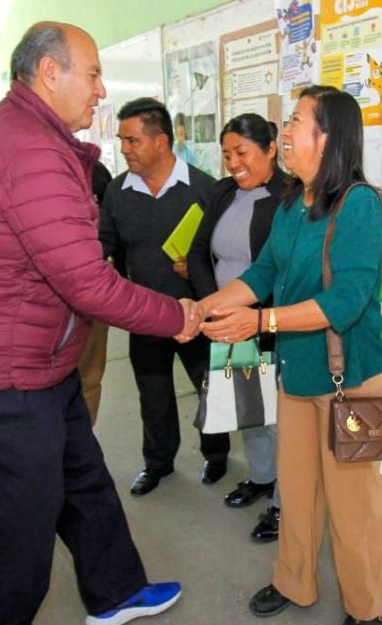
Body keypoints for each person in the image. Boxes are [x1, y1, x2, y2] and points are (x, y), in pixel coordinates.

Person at [0, 23, 195, 625]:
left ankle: (115, 591)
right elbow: (86, 282)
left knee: (83, 479)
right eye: (93, 74)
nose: (101, 90)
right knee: (20, 512)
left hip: (37, 360)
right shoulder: (29, 150)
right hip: (0, 374)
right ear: (50, 73)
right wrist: (177, 316)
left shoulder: (28, 136)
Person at [198, 85, 382, 625]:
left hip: (355, 381)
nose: (284, 131)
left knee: (356, 502)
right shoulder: (291, 203)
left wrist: (259, 323)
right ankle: (295, 581)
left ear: (328, 136)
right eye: (286, 122)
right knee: (298, 489)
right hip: (300, 374)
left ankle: (375, 600)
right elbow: (262, 274)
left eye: (296, 121)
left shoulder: (360, 205)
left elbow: (345, 303)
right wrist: (203, 307)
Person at [99, 97, 230, 496]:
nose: (124, 149)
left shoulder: (205, 189)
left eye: (132, 140)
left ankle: (216, 455)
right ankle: (158, 463)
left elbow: (225, 252)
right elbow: (105, 244)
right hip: (143, 315)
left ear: (160, 141)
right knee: (153, 396)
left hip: (198, 314)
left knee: (210, 389)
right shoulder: (117, 192)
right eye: (122, 140)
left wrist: (200, 268)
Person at [187, 113, 286, 542]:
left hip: (269, 322)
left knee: (279, 418)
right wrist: (214, 308)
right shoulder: (223, 191)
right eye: (226, 154)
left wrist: (253, 316)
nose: (232, 163)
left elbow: (280, 270)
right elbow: (197, 251)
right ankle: (263, 478)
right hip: (227, 320)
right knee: (250, 409)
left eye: (241, 153)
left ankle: (285, 502)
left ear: (271, 149)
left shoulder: (290, 197)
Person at [75, 160, 114, 424]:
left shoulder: (95, 171)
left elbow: (110, 228)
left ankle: (81, 439)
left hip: (93, 291)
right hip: (45, 300)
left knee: (88, 378)